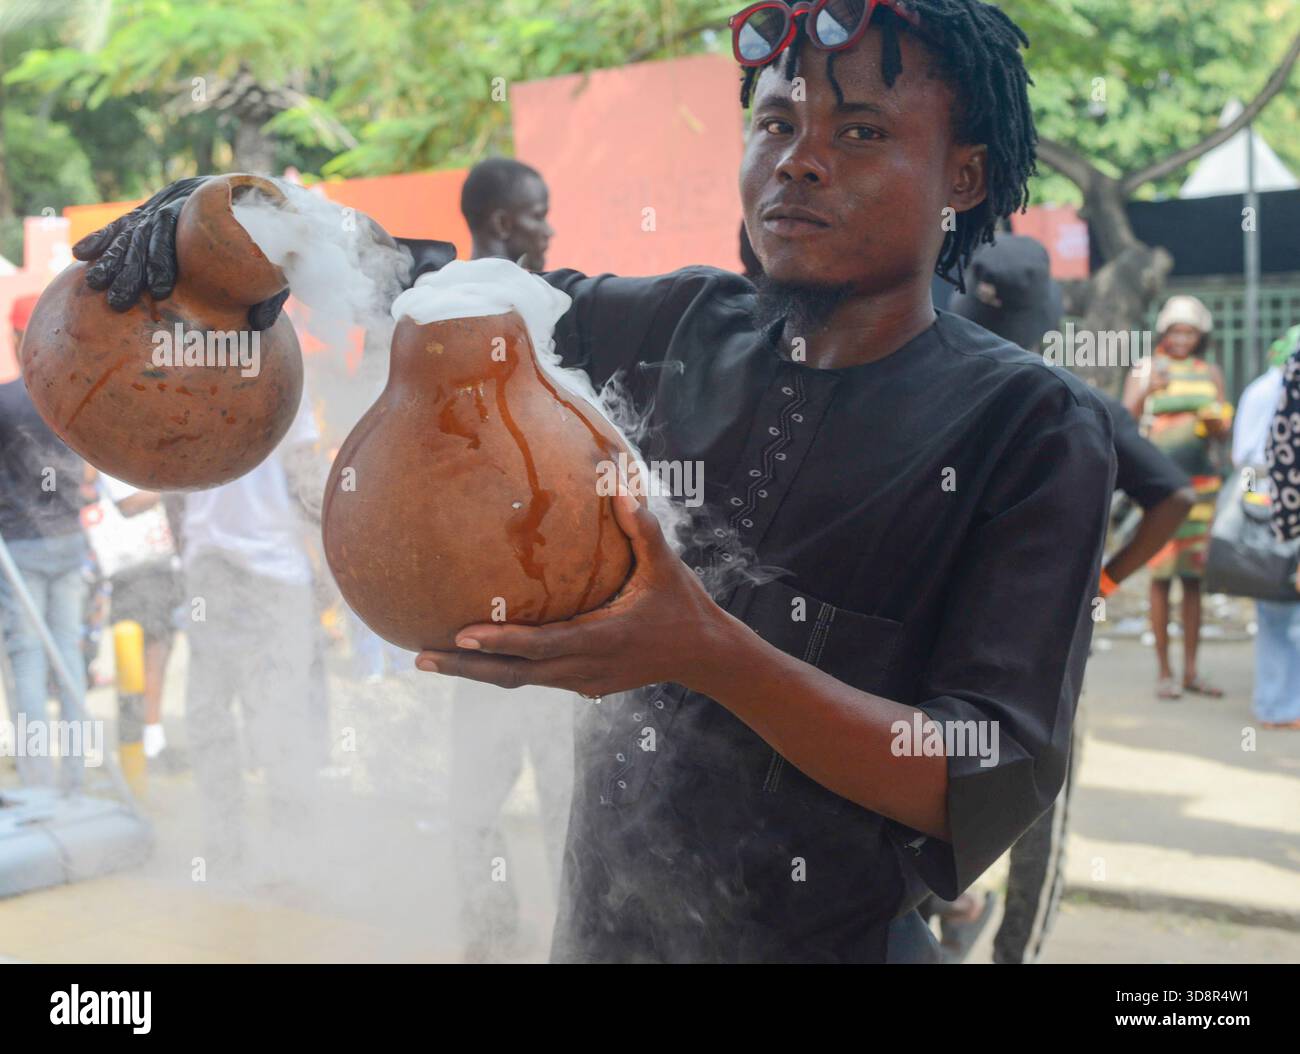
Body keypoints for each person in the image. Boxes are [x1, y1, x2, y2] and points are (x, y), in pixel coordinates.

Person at [73, 0, 1116, 964]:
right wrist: (245, 223)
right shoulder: (668, 328)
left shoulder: (1027, 429)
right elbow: (444, 283)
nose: (797, 163)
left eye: (860, 134)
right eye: (775, 124)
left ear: (964, 179)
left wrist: (706, 650)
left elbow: (980, 778)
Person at [948, 234, 1194, 963]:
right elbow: (1172, 497)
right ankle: (993, 938)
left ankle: (953, 911)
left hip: (950, 652)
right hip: (1044, 660)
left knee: (935, 788)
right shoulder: (1079, 401)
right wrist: (1108, 581)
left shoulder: (936, 393)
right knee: (1034, 817)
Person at [446, 159, 574, 961]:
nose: (549, 229)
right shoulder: (477, 318)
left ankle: (551, 939)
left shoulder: (517, 307)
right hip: (506, 611)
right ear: (500, 223)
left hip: (520, 614)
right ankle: (497, 943)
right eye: (537, 214)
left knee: (545, 798)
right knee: (508, 798)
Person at [178, 389, 327, 870]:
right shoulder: (193, 377)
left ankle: (280, 850)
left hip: (264, 570)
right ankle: (237, 848)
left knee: (258, 716)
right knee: (225, 715)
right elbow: (308, 483)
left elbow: (305, 476)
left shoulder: (282, 376)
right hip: (228, 568)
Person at [0, 293, 92, 789]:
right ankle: (75, 776)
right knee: (69, 657)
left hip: (22, 546)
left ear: (17, 338)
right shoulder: (73, 395)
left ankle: (38, 779)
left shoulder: (6, 401)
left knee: (28, 661)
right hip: (68, 539)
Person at [1122, 295, 1233, 700]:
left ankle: (1191, 671)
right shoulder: (1148, 368)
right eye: (1175, 331)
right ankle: (1164, 673)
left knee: (1192, 580)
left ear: (1200, 335)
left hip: (1201, 488)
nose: (1182, 338)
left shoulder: (1210, 373)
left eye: (1189, 331)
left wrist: (1218, 423)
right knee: (1160, 579)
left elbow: (1223, 433)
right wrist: (1146, 390)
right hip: (1161, 492)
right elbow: (1124, 420)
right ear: (1164, 332)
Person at [1237, 326, 1300, 730]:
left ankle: (1279, 705)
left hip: (1275, 506)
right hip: (1279, 508)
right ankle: (1278, 706)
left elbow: (1243, 455)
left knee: (1279, 615)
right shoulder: (1274, 390)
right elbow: (1252, 456)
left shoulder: (1268, 387)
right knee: (1281, 614)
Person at [460, 158, 554, 272]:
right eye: (538, 217)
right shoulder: (526, 289)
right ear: (502, 224)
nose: (550, 232)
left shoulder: (447, 285)